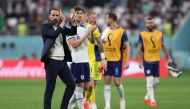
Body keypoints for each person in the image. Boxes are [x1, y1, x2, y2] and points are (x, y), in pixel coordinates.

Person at [41, 7, 77, 109]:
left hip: (62, 62)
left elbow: (73, 32)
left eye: (57, 15)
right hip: (51, 62)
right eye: (53, 15)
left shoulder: (61, 27)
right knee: (50, 89)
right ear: (49, 16)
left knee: (71, 85)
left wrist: (72, 21)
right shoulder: (45, 27)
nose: (55, 17)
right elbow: (54, 34)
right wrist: (63, 23)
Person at [137, 17, 172, 107]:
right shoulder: (142, 34)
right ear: (146, 24)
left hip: (156, 60)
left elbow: (163, 46)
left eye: (151, 23)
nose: (150, 24)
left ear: (153, 23)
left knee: (156, 82)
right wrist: (140, 61)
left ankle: (147, 97)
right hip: (147, 60)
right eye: (148, 23)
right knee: (150, 80)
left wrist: (168, 57)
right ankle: (152, 100)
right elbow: (139, 48)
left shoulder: (159, 34)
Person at [67, 5, 97, 109]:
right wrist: (87, 33)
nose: (79, 15)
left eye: (81, 13)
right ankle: (82, 107)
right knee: (79, 87)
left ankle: (70, 103)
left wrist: (91, 32)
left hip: (86, 61)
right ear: (73, 15)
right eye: (77, 13)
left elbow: (92, 41)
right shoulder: (70, 29)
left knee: (87, 86)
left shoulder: (84, 28)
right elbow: (74, 44)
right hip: (77, 61)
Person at [102, 12, 130, 109]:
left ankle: (122, 99)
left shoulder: (122, 31)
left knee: (117, 83)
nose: (105, 20)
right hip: (106, 61)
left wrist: (127, 61)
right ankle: (107, 106)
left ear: (111, 19)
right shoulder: (105, 31)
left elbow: (127, 46)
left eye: (106, 18)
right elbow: (101, 45)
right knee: (107, 82)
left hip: (117, 60)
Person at [84, 10, 105, 109]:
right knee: (90, 84)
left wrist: (103, 58)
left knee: (96, 82)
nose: (95, 19)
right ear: (87, 18)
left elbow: (100, 43)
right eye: (93, 18)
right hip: (88, 58)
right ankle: (91, 103)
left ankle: (85, 100)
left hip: (97, 58)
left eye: (96, 18)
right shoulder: (85, 27)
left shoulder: (96, 28)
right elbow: (93, 42)